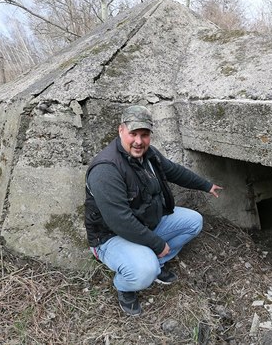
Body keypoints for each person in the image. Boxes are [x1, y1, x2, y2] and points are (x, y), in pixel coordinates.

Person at [84, 105, 223, 316]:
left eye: (145, 134)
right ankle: (125, 286)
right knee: (143, 272)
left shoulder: (149, 155)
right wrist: (157, 244)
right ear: (121, 130)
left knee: (194, 221)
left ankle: (156, 262)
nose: (139, 141)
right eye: (133, 134)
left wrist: (205, 185)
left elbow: (174, 171)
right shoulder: (106, 169)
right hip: (111, 236)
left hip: (145, 223)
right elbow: (119, 221)